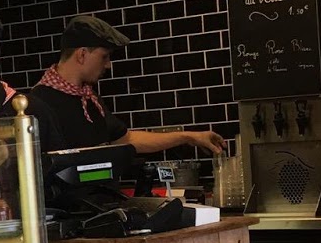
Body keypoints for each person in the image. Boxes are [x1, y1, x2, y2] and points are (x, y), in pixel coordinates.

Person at [32, 14, 226, 155]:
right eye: (104, 56)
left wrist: (188, 137)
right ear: (82, 54)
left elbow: (126, 140)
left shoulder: (88, 98)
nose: (108, 64)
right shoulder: (40, 103)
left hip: (100, 198)